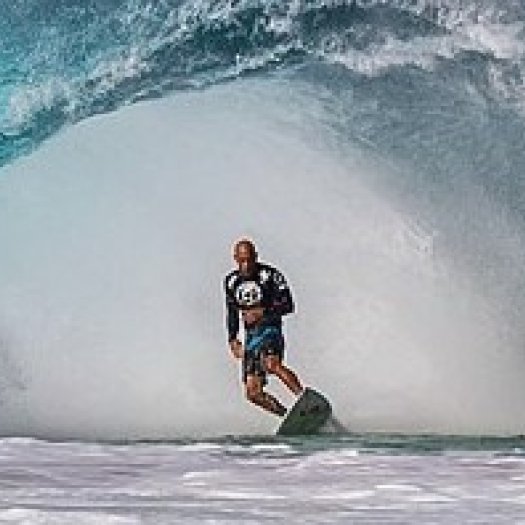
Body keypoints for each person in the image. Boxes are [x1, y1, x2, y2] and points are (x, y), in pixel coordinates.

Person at [223, 238, 303, 417]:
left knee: (271, 364)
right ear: (235, 258)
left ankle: (302, 398)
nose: (246, 264)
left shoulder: (270, 275)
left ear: (256, 257)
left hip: (270, 330)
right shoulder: (231, 281)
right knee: (253, 393)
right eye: (242, 260)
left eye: (249, 259)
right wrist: (232, 338)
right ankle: (287, 416)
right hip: (251, 337)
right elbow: (231, 312)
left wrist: (263, 312)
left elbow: (288, 305)